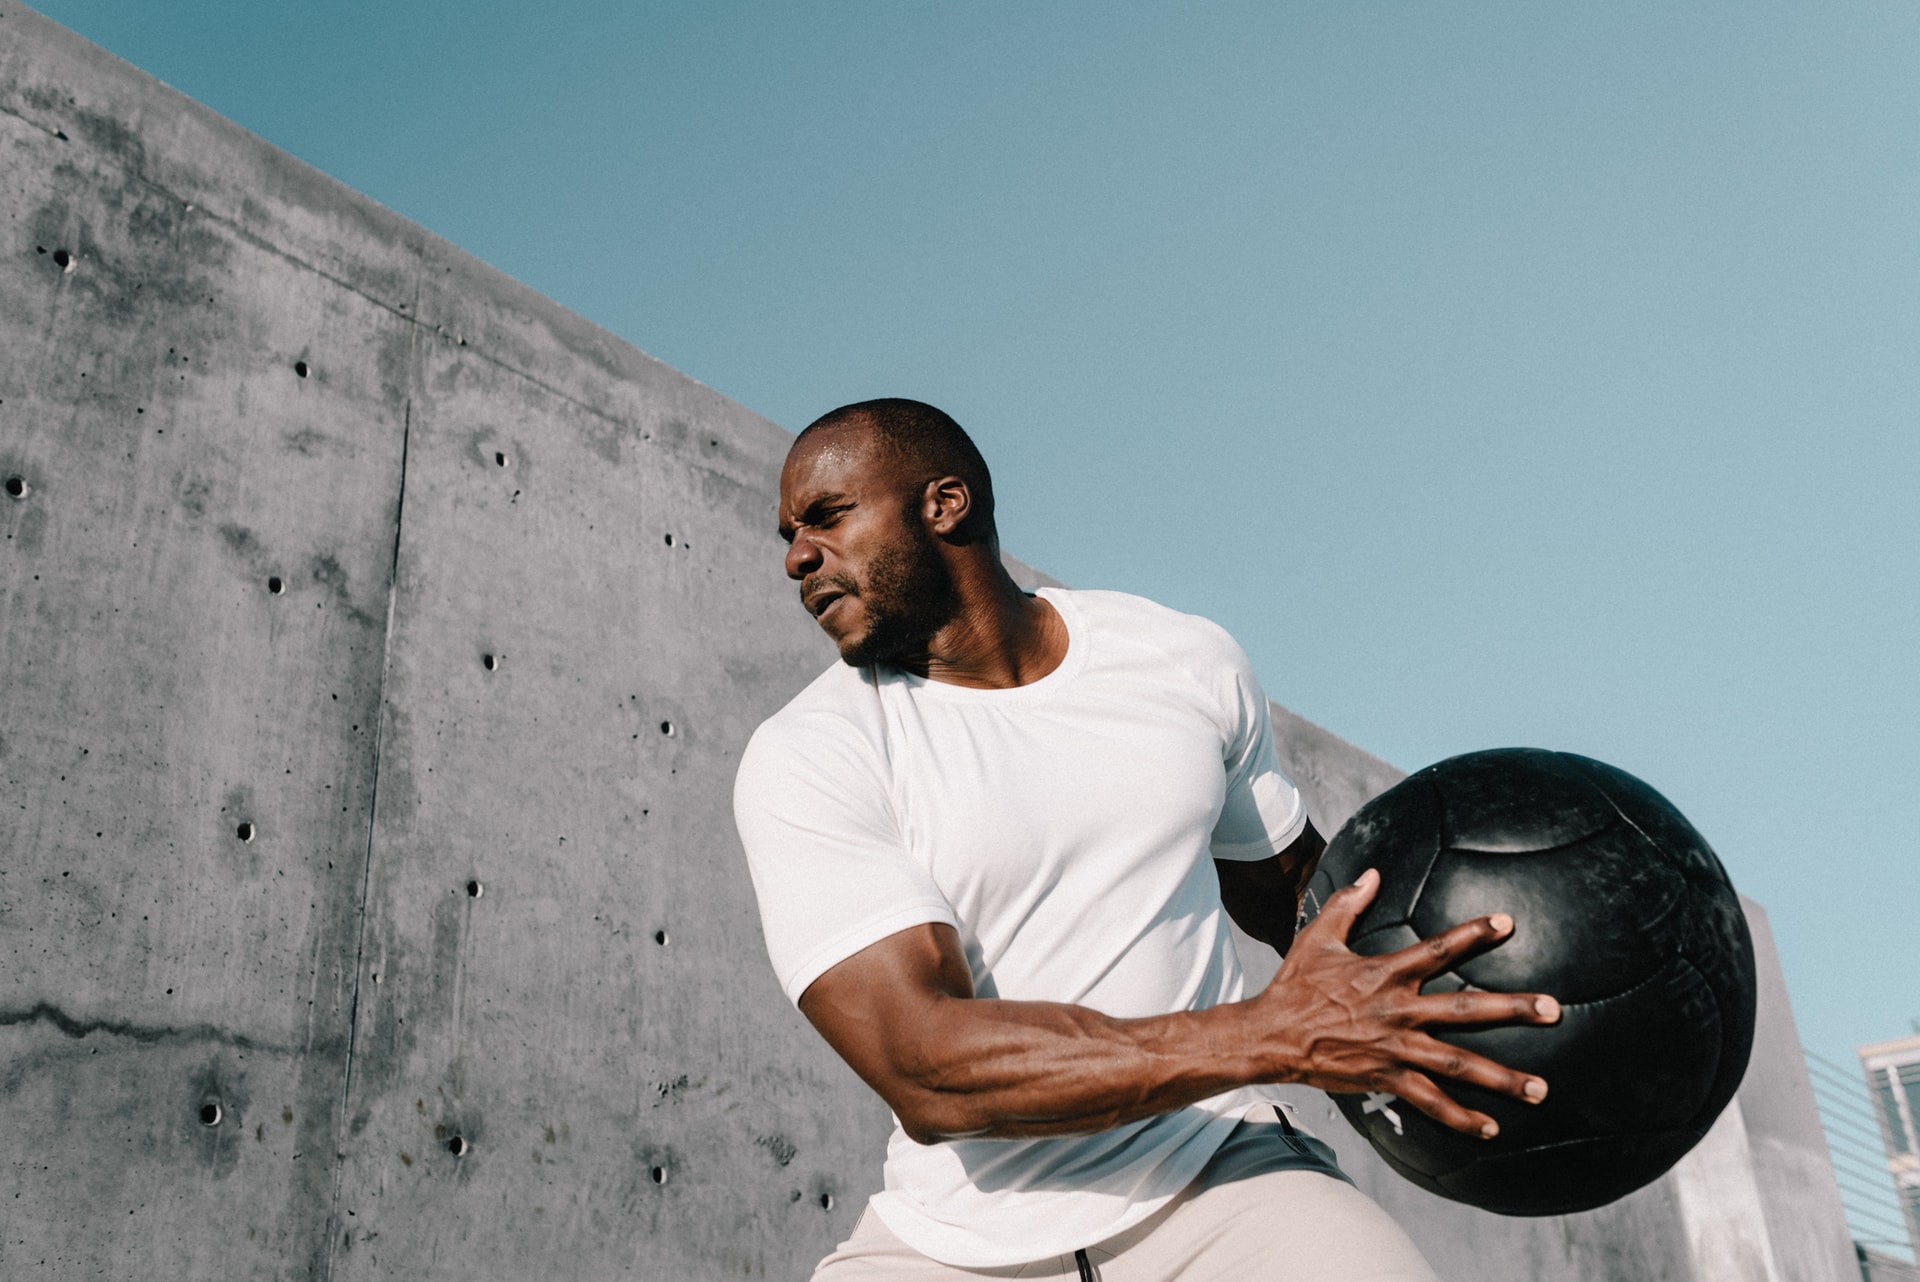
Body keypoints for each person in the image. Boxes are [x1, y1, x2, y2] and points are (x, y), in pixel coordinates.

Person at [732, 399, 1560, 1280]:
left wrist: (1498, 1006)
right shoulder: (811, 754)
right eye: (789, 535)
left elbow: (1307, 906)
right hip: (957, 1239)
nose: (796, 558)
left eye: (826, 518)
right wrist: (1270, 1037)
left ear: (946, 503)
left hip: (1219, 1179)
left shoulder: (1179, 661)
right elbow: (926, 1066)